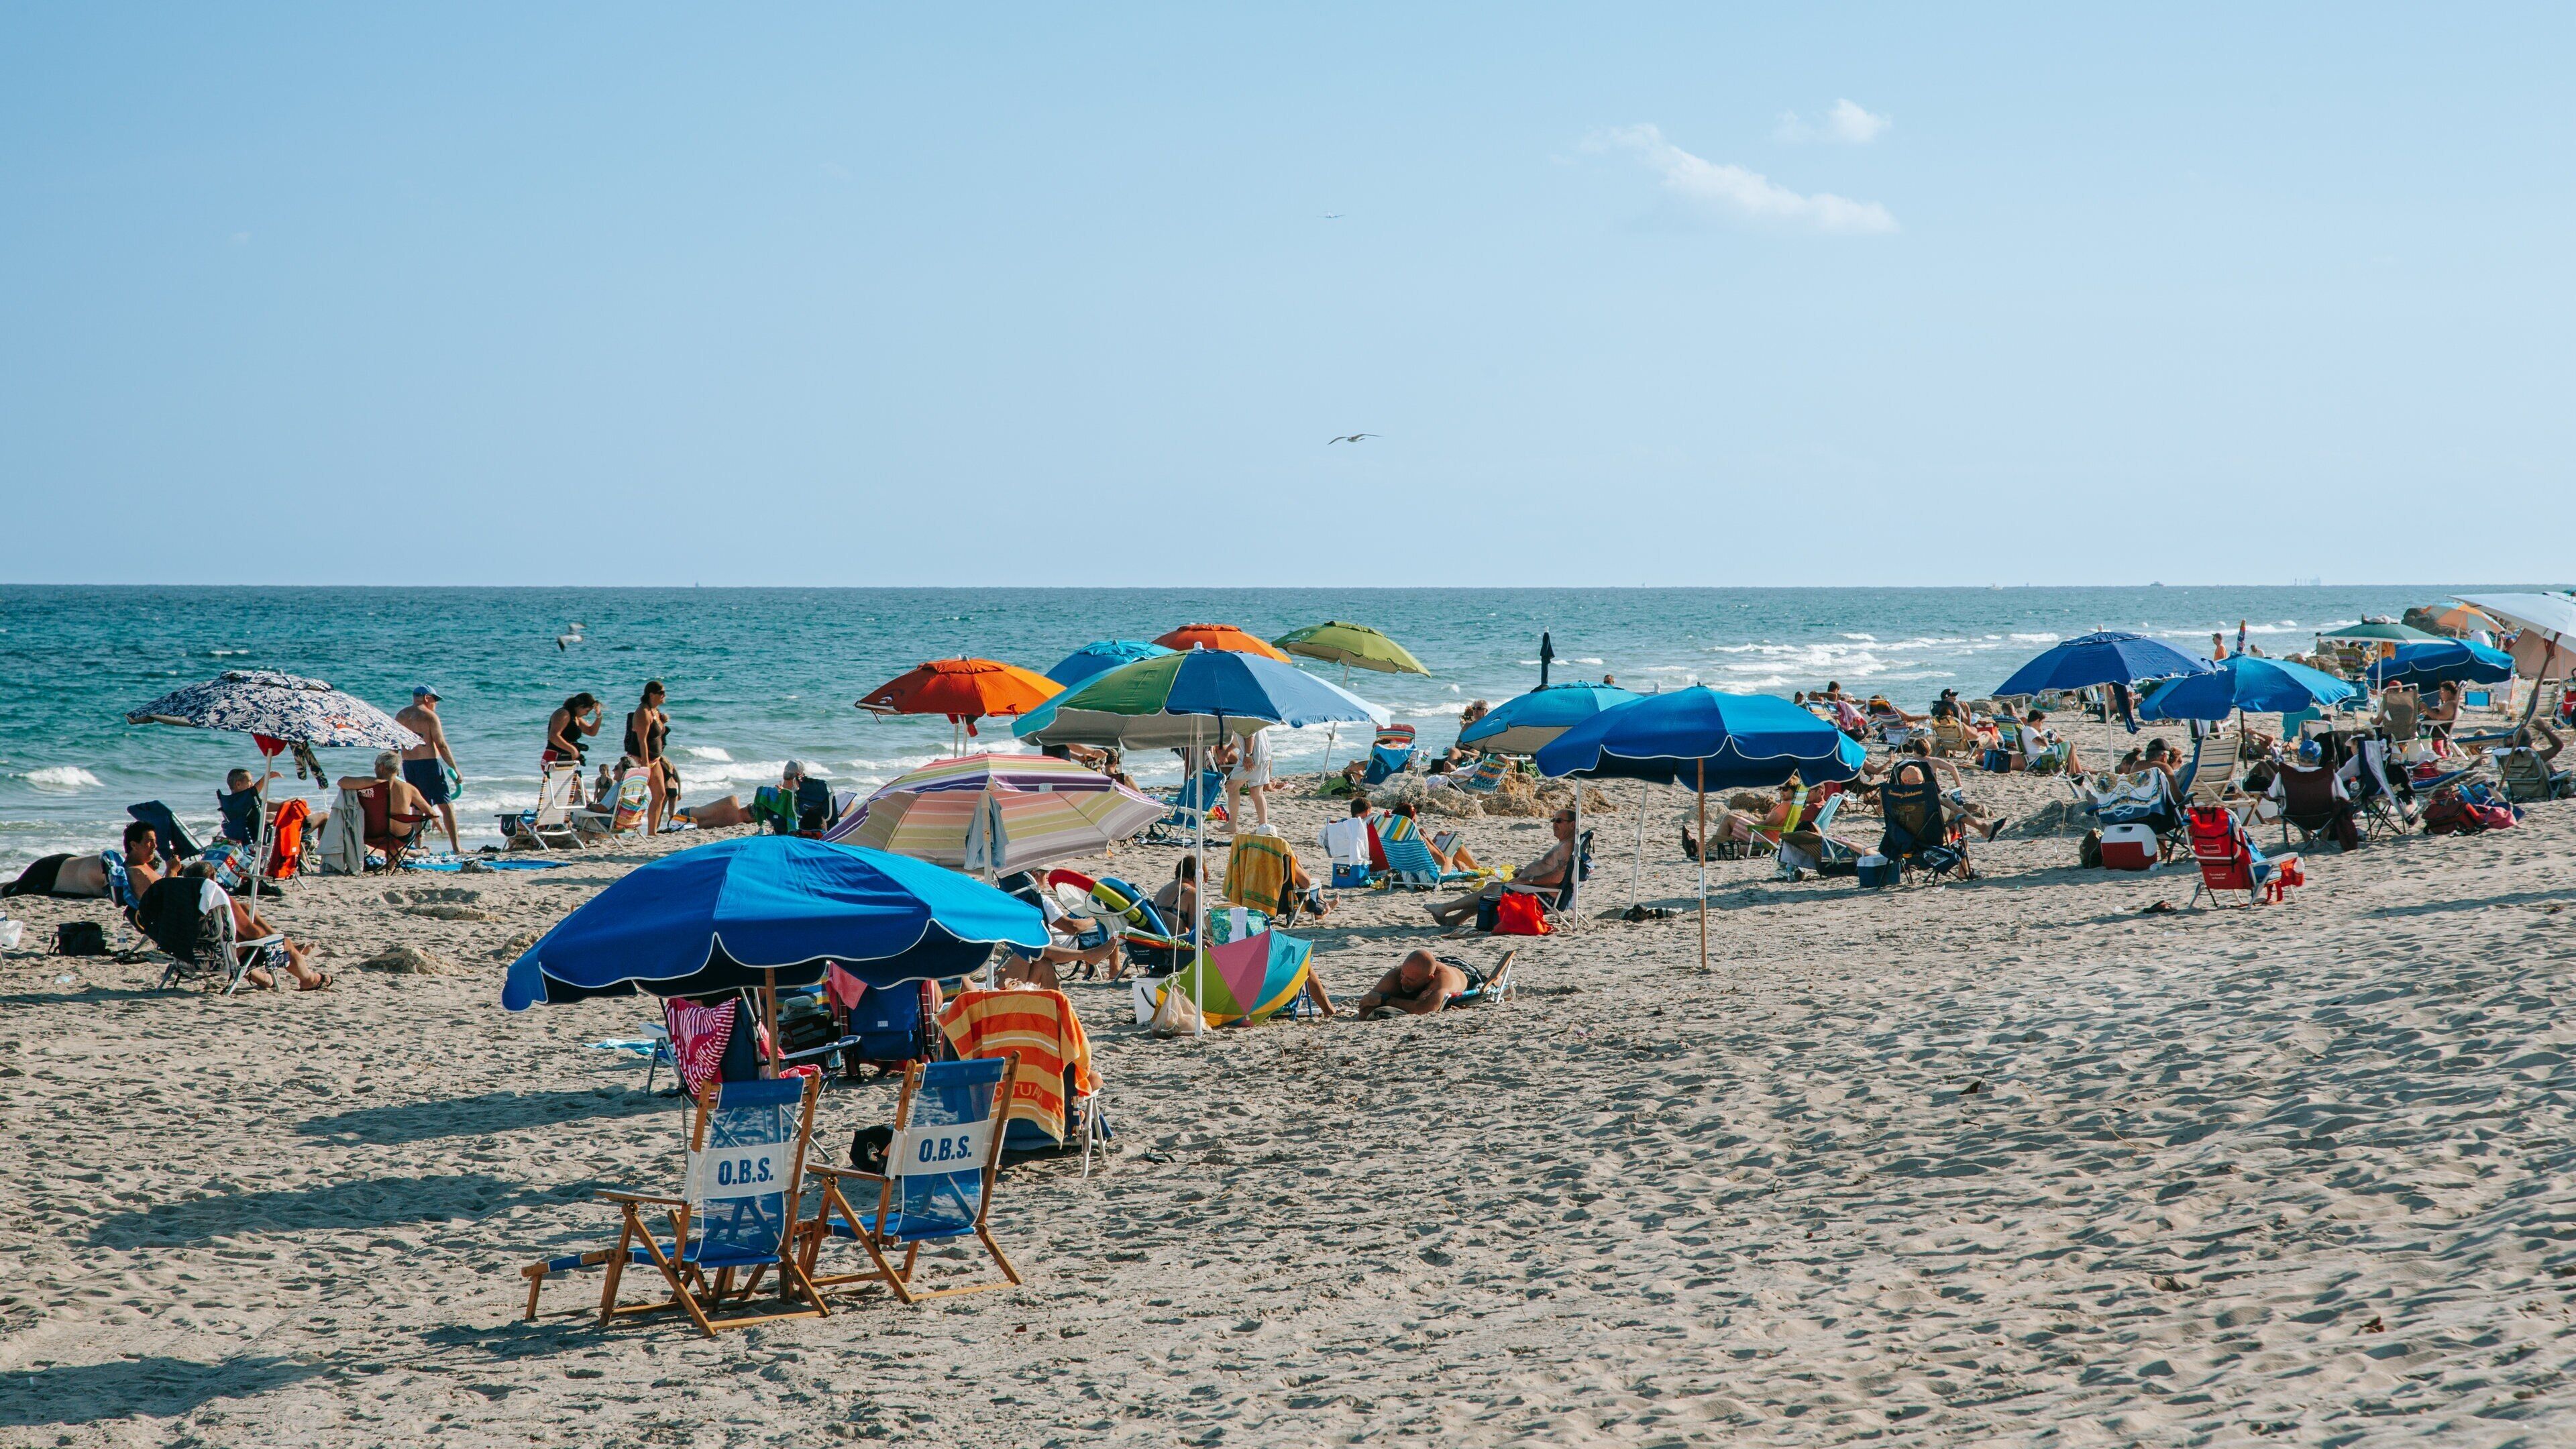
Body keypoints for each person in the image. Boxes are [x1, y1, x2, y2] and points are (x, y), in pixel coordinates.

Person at [1427, 809, 1574, 928]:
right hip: (1538, 889)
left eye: (1559, 821)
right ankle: (1456, 919)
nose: (1555, 824)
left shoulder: (1567, 846)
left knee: (1492, 891)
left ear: (1572, 825)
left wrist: (1528, 880)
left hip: (1543, 896)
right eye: (1553, 820)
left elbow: (1557, 877)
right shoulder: (1565, 844)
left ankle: (1445, 908)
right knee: (1491, 887)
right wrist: (1525, 873)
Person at [2, 821, 151, 899]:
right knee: (10, 892)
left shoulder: (129, 868)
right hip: (50, 873)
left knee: (10, 886)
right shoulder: (120, 871)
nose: (155, 847)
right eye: (150, 842)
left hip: (66, 867)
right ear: (134, 845)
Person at [337, 751, 434, 869]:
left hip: (372, 834)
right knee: (396, 831)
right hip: (402, 836)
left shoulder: (371, 783)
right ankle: (391, 866)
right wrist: (434, 822)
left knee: (388, 830)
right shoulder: (409, 788)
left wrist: (369, 781)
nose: (374, 769)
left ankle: (388, 865)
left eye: (375, 766)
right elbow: (430, 812)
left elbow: (342, 782)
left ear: (381, 767)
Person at [395, 686, 462, 855]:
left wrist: (394, 768)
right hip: (429, 765)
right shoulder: (430, 716)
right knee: (446, 806)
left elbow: (394, 743)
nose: (436, 704)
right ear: (426, 698)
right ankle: (457, 848)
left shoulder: (401, 715)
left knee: (417, 806)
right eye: (435, 700)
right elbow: (441, 744)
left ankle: (418, 847)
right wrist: (455, 768)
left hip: (408, 765)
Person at [1347, 949, 1485, 1018]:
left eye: (1410, 980)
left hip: (1464, 971)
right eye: (1403, 974)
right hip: (1428, 964)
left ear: (1429, 979)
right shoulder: (1400, 974)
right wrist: (1413, 1004)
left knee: (1493, 983)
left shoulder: (1443, 979)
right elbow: (1364, 1010)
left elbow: (1426, 1009)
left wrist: (1385, 1000)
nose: (1402, 981)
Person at [624, 681, 674, 835]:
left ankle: (652, 832)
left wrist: (663, 722)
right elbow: (642, 741)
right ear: (651, 695)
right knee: (632, 798)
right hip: (640, 760)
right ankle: (624, 828)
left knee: (660, 794)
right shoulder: (643, 712)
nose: (664, 696)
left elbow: (657, 736)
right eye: (662, 693)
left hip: (655, 760)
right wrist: (645, 766)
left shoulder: (655, 711)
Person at [1224, 727, 1273, 830]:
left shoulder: (1242, 713)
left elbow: (1250, 734)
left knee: (1232, 786)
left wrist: (1247, 755)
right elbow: (1243, 735)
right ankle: (1263, 827)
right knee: (1256, 792)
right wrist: (1228, 750)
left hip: (1253, 754)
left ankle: (1232, 825)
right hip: (1264, 753)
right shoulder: (1256, 712)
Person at [217, 766, 279, 846]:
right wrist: (266, 778)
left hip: (237, 836)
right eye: (249, 781)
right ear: (238, 784)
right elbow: (253, 791)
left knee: (271, 815)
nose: (252, 784)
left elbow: (263, 802)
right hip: (252, 840)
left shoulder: (230, 802)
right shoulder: (244, 800)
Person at [545, 693, 602, 775]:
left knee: (575, 786)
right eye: (587, 711)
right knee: (575, 786)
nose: (587, 714)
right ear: (580, 706)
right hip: (554, 757)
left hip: (566, 758)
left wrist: (599, 716)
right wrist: (573, 750)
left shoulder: (576, 717)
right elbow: (553, 736)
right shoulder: (564, 713)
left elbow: (591, 732)